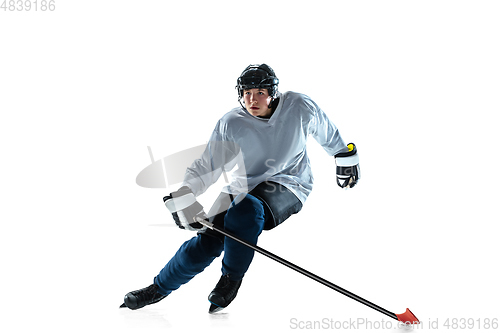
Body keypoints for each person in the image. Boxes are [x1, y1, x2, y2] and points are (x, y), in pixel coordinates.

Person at [120, 64, 360, 313]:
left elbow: (326, 131)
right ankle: (158, 288)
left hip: (290, 183)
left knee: (245, 209)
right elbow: (208, 164)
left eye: (259, 92)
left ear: (273, 93)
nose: (252, 100)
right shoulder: (231, 122)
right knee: (207, 242)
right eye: (246, 93)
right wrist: (185, 193)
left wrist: (343, 154)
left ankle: (230, 279)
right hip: (242, 188)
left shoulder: (298, 106)